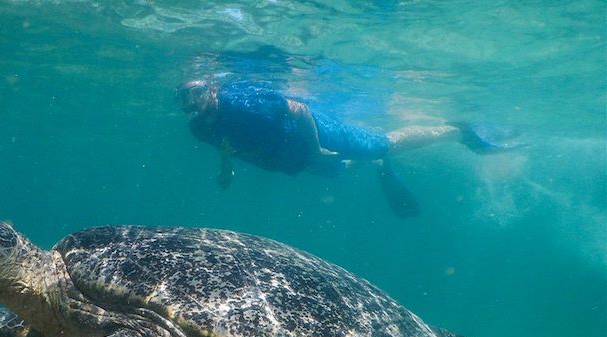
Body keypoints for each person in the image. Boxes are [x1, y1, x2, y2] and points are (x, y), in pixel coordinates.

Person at [177, 79, 520, 217]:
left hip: (313, 137)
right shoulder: (198, 128)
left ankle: (455, 131)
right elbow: (227, 146)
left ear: (212, 90)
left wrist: (314, 148)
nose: (191, 102)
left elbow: (300, 109)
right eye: (184, 97)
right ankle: (373, 163)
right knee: (337, 172)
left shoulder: (241, 104)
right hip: (285, 157)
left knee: (381, 144)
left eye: (196, 93)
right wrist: (227, 169)